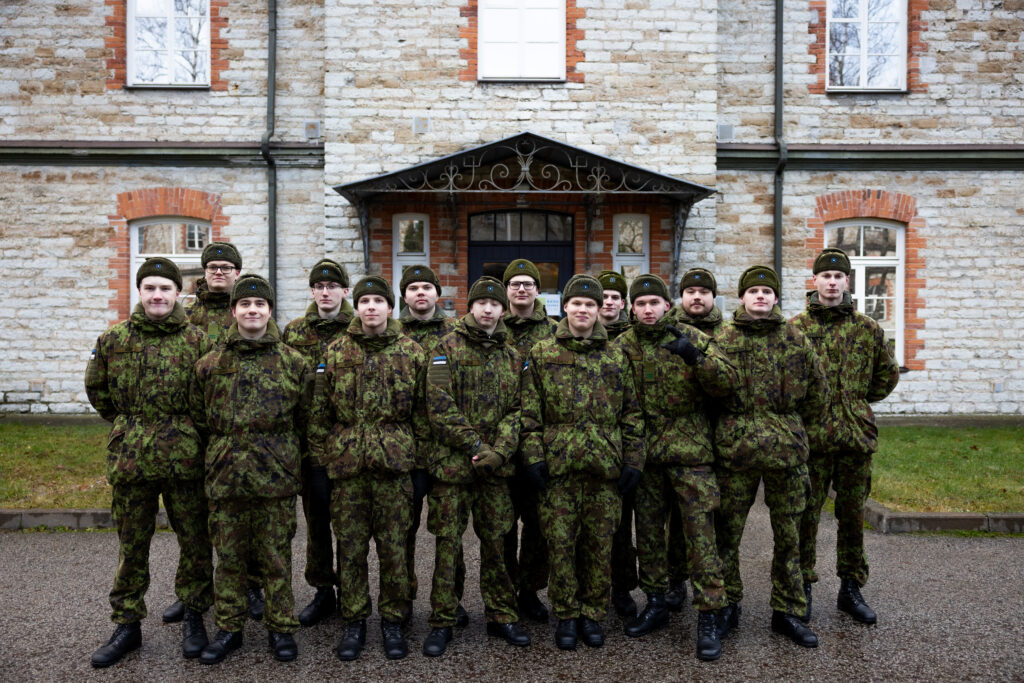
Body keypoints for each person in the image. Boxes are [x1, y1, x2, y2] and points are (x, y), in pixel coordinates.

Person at [85, 257, 213, 667]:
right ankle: (127, 625)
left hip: (185, 458)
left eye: (165, 288)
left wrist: (186, 429)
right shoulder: (114, 339)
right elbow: (98, 390)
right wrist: (131, 425)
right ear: (139, 292)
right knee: (132, 545)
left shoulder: (198, 341)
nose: (157, 296)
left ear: (178, 293)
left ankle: (194, 615)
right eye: (150, 288)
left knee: (195, 541)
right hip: (132, 458)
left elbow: (209, 396)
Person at [613, 274, 735, 661]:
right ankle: (656, 602)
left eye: (655, 303)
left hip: (690, 453)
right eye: (641, 303)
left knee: (701, 537)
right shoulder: (621, 346)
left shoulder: (692, 337)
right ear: (632, 309)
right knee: (649, 535)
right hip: (646, 458)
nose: (648, 309)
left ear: (668, 305)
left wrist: (695, 358)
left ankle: (709, 614)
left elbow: (727, 384)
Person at [190, 274, 310, 664]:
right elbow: (199, 418)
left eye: (260, 304)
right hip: (226, 475)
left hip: (275, 475)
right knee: (229, 558)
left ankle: (281, 628)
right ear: (233, 311)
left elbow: (307, 418)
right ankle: (229, 628)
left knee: (276, 557)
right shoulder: (210, 364)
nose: (252, 310)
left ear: (270, 310)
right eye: (245, 304)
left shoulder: (293, 362)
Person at [520, 275, 644, 650]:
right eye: (576, 303)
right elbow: (529, 413)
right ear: (565, 307)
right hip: (558, 469)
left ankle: (593, 614)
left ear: (599, 310)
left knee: (599, 546)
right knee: (560, 546)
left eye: (590, 305)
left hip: (604, 467)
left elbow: (632, 414)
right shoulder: (542, 353)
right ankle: (566, 615)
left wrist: (633, 460)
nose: (583, 310)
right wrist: (533, 457)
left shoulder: (616, 355)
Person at [309, 276, 428, 662]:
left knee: (395, 549)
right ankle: (354, 619)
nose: (371, 307)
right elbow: (319, 413)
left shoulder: (412, 352)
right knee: (351, 548)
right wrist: (319, 466)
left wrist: (420, 467)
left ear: (391, 308)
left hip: (395, 466)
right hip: (348, 468)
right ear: (356, 307)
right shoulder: (334, 351)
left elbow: (424, 414)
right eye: (365, 301)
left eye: (379, 300)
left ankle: (394, 619)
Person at [713, 265, 828, 648]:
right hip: (735, 451)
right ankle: (727, 605)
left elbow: (818, 393)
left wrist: (790, 425)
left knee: (790, 536)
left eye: (766, 291)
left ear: (776, 297)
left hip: (786, 451)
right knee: (726, 535)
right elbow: (706, 391)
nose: (760, 296)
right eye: (753, 291)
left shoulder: (795, 338)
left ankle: (788, 610)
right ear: (742, 297)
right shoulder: (723, 339)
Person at [421, 276, 531, 656]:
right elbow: (438, 404)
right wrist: (475, 445)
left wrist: (499, 451)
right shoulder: (444, 348)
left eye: (495, 304)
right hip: (453, 467)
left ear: (503, 309)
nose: (488, 309)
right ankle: (443, 618)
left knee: (498, 543)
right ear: (470, 307)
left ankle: (502, 614)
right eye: (481, 303)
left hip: (496, 471)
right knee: (447, 545)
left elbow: (519, 410)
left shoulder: (514, 356)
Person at [792, 248, 899, 625]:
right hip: (811, 440)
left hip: (855, 439)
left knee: (852, 517)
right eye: (826, 276)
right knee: (805, 516)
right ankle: (802, 585)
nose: (832, 283)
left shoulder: (867, 329)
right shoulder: (795, 329)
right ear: (815, 280)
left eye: (839, 277)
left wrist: (854, 401)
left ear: (847, 281)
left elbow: (887, 375)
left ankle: (850, 588)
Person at [168, 241, 265, 625]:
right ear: (204, 272)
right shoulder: (186, 316)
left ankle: (252, 586)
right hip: (195, 432)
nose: (219, 272)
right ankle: (194, 592)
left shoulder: (250, 308)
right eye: (213, 267)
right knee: (193, 523)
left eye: (226, 267)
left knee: (248, 518)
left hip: (244, 433)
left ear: (237, 272)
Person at [282, 258, 353, 627]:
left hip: (348, 442)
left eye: (332, 286)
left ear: (345, 291)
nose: (326, 292)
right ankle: (323, 589)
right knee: (317, 522)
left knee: (351, 524)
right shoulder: (294, 332)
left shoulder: (359, 328)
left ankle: (352, 591)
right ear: (311, 291)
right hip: (308, 442)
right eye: (319, 287)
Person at [396, 264, 465, 628]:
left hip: (444, 449)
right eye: (413, 288)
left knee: (449, 533)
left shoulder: (456, 333)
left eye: (426, 287)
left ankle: (452, 599)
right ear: (403, 295)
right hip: (402, 450)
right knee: (401, 531)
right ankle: (403, 598)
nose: (420, 292)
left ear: (438, 293)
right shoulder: (391, 333)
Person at [664, 267, 723, 610]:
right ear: (681, 296)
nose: (697, 297)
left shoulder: (726, 333)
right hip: (677, 442)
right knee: (674, 521)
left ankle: (721, 593)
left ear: (714, 296)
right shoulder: (665, 330)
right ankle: (675, 582)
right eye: (690, 292)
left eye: (703, 291)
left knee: (709, 522)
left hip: (719, 438)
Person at [501, 259, 557, 622]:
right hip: (501, 445)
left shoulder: (555, 331)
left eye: (528, 284)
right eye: (515, 284)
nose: (521, 289)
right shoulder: (490, 328)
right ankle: (506, 589)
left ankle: (531, 590)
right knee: (503, 525)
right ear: (506, 290)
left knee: (538, 524)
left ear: (538, 290)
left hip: (541, 442)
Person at [597, 269, 640, 618]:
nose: (609, 302)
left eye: (615, 297)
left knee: (623, 528)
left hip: (629, 441)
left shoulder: (633, 338)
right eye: (604, 297)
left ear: (624, 304)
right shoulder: (579, 334)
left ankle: (622, 587)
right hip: (597, 446)